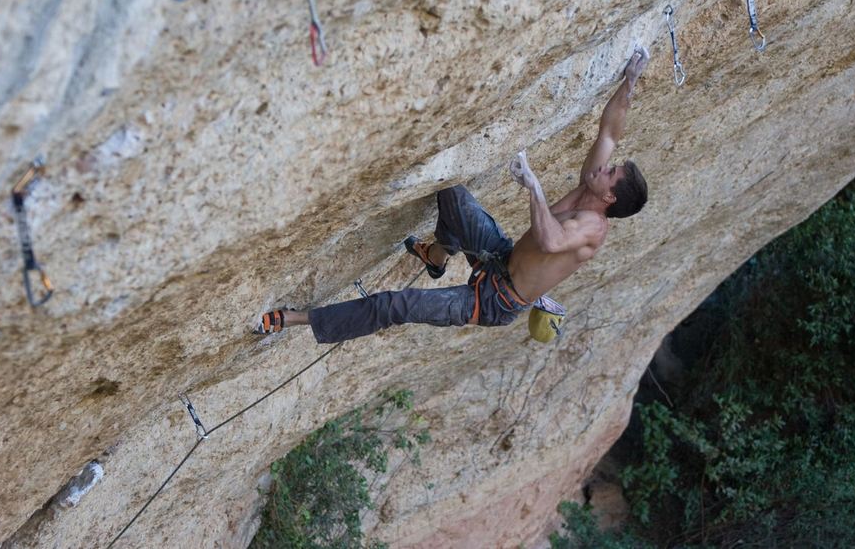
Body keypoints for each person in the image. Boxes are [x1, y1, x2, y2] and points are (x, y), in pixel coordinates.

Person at [254, 48, 650, 342]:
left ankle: (296, 318)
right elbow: (609, 134)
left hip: (495, 302)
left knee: (395, 305)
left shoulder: (593, 230)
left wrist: (534, 186)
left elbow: (550, 240)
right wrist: (629, 84)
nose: (604, 168)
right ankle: (437, 256)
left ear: (610, 198)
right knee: (453, 195)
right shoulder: (589, 187)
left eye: (610, 173)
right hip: (501, 257)